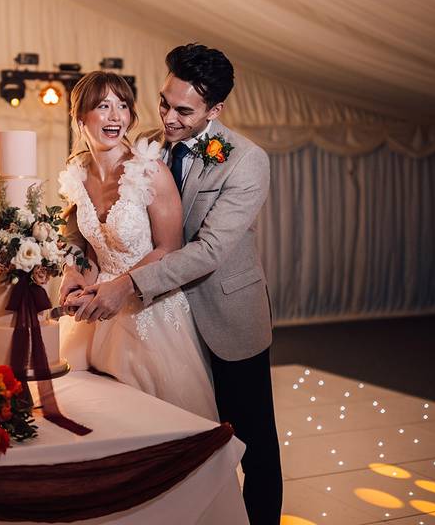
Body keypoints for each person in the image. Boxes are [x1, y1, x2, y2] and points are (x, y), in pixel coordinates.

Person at [64, 44, 282, 524]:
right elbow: (86, 222)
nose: (168, 117)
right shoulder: (145, 143)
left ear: (215, 110)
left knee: (252, 446)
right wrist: (78, 263)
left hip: (223, 316)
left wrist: (126, 285)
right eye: (164, 102)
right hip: (161, 323)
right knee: (174, 439)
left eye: (184, 110)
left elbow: (205, 251)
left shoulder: (246, 161)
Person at [57, 70, 218, 421]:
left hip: (150, 309)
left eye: (123, 106)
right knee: (91, 415)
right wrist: (75, 276)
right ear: (80, 116)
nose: (116, 116)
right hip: (98, 312)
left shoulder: (150, 171)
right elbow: (90, 250)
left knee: (155, 423)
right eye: (103, 106)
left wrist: (122, 287)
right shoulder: (77, 176)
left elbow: (168, 250)